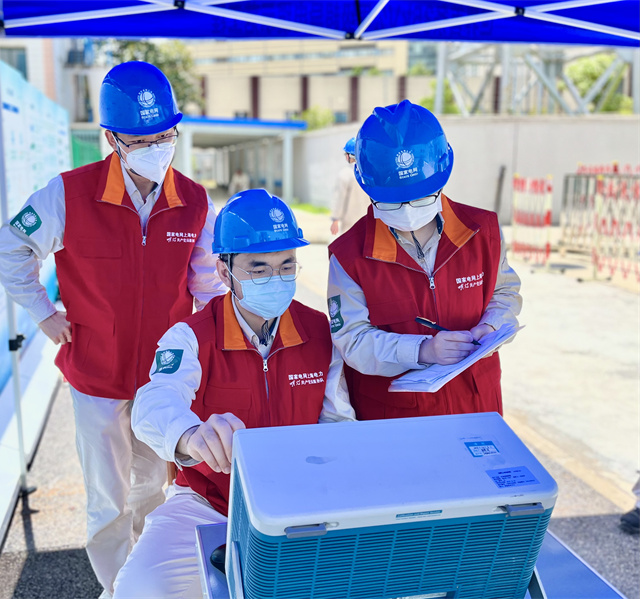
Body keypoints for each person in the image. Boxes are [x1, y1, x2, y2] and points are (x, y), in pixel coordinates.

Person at [0, 61, 226, 598]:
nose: (155, 148)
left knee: (152, 493)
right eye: (140, 140)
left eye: (164, 136)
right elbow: (12, 248)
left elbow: (209, 286)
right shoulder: (69, 194)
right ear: (111, 139)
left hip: (160, 382)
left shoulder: (194, 202)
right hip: (95, 376)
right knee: (106, 500)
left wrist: (210, 353)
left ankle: (143, 585)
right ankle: (114, 589)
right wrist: (43, 313)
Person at [112, 189, 356, 598]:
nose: (276, 279)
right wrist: (190, 435)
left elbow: (337, 422)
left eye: (286, 265)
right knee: (141, 588)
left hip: (299, 503)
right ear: (224, 273)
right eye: (258, 269)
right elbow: (155, 402)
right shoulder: (192, 336)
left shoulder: (320, 334)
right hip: (206, 502)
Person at [328, 99, 521, 420]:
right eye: (391, 202)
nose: (407, 211)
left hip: (476, 404)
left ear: (442, 176)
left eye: (420, 198)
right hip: (396, 418)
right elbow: (352, 340)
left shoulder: (482, 232)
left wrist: (491, 325)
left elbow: (505, 292)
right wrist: (422, 350)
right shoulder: (348, 256)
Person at [330, 137, 371, 236]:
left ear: (350, 155)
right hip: (369, 221)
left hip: (350, 223)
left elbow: (340, 199)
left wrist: (335, 219)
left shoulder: (345, 174)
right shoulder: (370, 173)